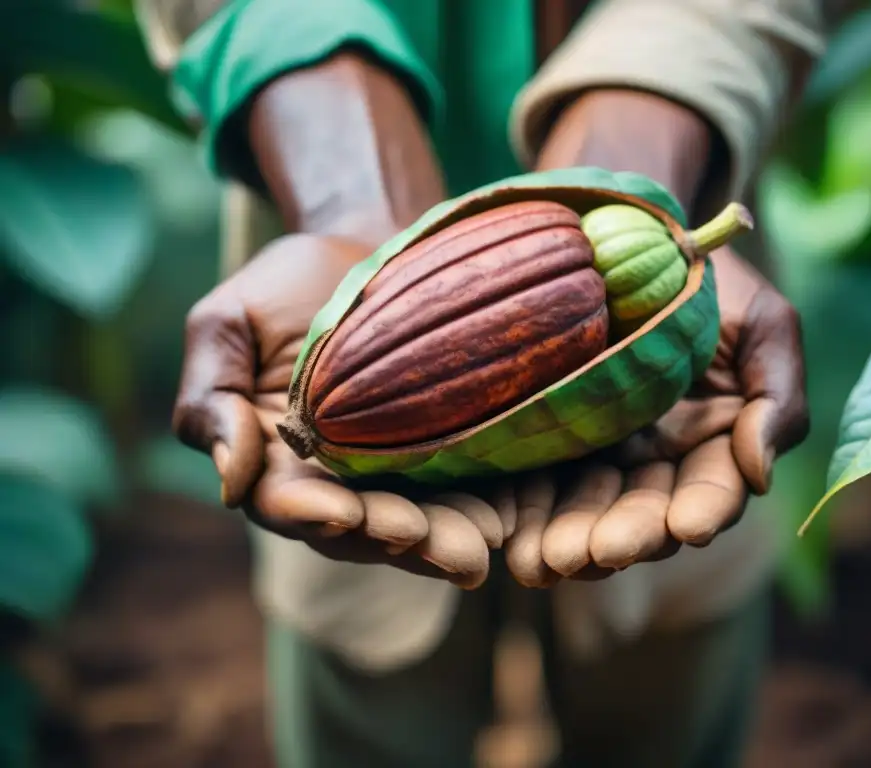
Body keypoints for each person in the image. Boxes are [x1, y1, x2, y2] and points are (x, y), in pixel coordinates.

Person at [135, 1, 825, 765]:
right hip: (318, 256)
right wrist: (347, 207)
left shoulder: (665, 295)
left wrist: (636, 167)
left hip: (677, 387)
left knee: (662, 696)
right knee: (370, 691)